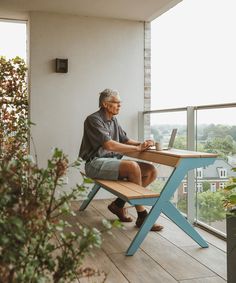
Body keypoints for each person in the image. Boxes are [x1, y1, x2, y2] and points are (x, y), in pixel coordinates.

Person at [79, 89, 163, 231]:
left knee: (150, 170)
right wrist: (137, 149)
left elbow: (126, 140)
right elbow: (109, 144)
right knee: (133, 167)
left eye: (120, 103)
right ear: (105, 104)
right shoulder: (93, 120)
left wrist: (142, 144)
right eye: (116, 102)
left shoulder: (113, 120)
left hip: (111, 162)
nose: (119, 105)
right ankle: (142, 216)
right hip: (95, 163)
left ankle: (117, 205)